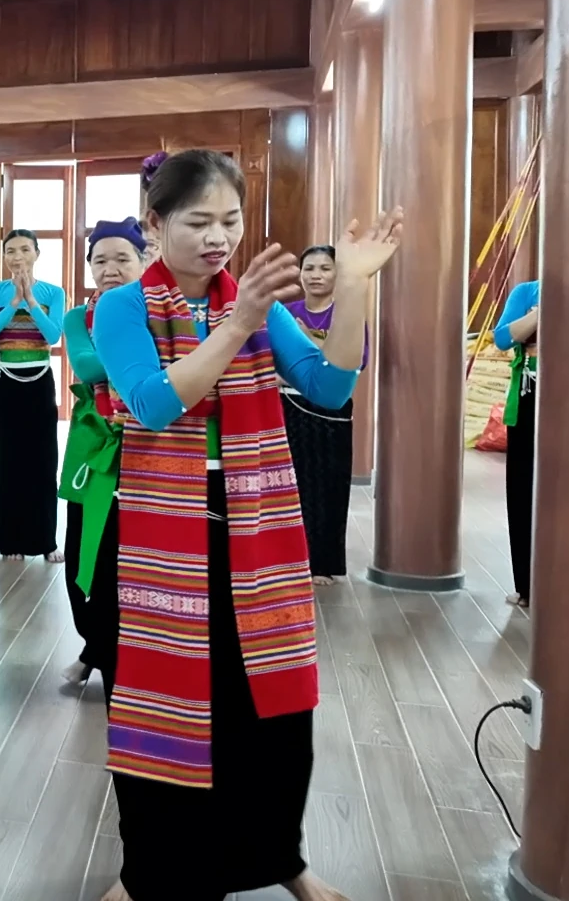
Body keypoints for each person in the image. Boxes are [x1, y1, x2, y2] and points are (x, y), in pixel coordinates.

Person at [90, 150, 399, 901]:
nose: (218, 237)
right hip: (165, 533)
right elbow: (154, 403)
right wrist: (239, 323)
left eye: (230, 220)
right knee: (165, 701)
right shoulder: (123, 307)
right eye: (198, 221)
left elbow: (328, 385)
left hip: (257, 529)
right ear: (156, 223)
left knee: (271, 702)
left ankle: (278, 858)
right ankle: (149, 872)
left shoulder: (253, 301)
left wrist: (355, 286)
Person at [59, 217, 153, 687]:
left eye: (122, 258)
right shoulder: (79, 317)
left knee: (131, 555)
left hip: (148, 443)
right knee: (84, 552)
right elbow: (86, 364)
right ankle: (94, 645)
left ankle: (120, 658)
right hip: (93, 441)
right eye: (99, 261)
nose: (109, 269)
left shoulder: (161, 310)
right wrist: (141, 360)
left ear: (145, 260)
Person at [282, 245, 369, 585]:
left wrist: (307, 341)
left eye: (325, 268)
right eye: (309, 268)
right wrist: (320, 352)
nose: (316, 275)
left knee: (327, 487)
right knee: (288, 485)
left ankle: (321, 563)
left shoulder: (346, 315)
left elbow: (353, 363)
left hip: (330, 412)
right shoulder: (285, 312)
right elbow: (271, 361)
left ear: (337, 274)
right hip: (287, 406)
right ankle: (287, 559)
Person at [0, 229, 67, 560]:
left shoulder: (53, 292)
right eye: (11, 251)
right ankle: (9, 541)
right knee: (5, 461)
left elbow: (53, 335)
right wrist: (14, 302)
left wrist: (31, 301)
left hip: (40, 381)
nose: (17, 257)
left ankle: (45, 542)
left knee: (43, 461)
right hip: (4, 381)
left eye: (24, 250)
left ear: (37, 254)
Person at [493, 280, 539, 608]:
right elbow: (502, 338)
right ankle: (526, 585)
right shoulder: (526, 292)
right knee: (523, 492)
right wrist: (538, 316)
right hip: (528, 398)